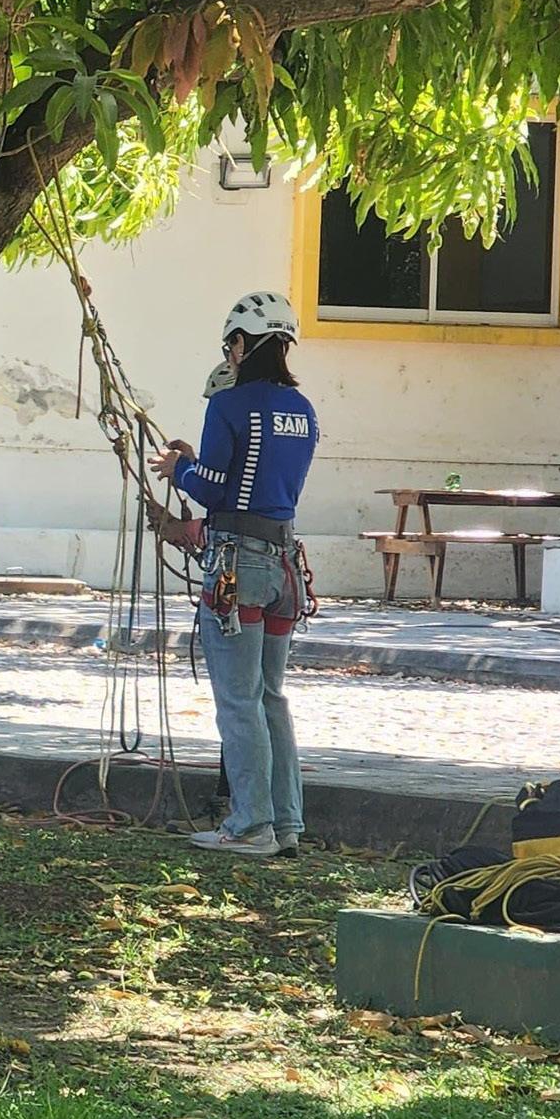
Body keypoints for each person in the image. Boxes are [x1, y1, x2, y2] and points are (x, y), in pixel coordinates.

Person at [153, 291, 319, 858]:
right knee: (271, 696)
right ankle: (286, 822)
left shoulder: (229, 404)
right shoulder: (303, 410)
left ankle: (250, 824)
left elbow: (214, 488)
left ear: (243, 343)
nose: (229, 354)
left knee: (239, 699)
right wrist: (194, 465)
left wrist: (181, 468)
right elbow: (258, 480)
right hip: (284, 564)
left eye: (231, 345)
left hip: (236, 567)